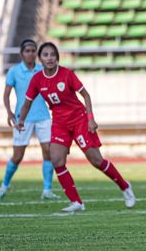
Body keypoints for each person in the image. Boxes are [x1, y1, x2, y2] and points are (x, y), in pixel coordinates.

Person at [17, 42, 136, 212]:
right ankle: (77, 202)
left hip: (79, 119)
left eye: (52, 54)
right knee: (57, 161)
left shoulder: (67, 74)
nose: (49, 58)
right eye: (45, 55)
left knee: (96, 160)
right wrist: (21, 120)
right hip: (59, 123)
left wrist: (90, 119)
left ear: (57, 57)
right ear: (40, 59)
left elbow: (85, 95)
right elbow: (27, 103)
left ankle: (125, 187)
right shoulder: (37, 79)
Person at [0, 39, 59, 201]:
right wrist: (9, 113)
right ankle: (4, 186)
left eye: (33, 50)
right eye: (27, 50)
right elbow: (6, 94)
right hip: (23, 118)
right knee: (17, 156)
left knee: (48, 153)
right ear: (21, 53)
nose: (30, 53)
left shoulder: (43, 70)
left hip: (43, 116)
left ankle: (47, 190)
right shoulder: (14, 72)